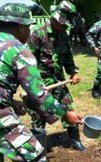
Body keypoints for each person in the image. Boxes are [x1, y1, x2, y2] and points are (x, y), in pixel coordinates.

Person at [0, 3, 82, 162]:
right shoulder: (19, 50)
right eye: (29, 26)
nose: (30, 31)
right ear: (21, 27)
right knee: (36, 155)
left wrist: (11, 102)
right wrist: (65, 114)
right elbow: (39, 95)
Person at [28, 0, 86, 151]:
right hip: (40, 83)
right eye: (61, 23)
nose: (63, 26)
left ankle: (75, 140)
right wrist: (33, 85)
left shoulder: (63, 35)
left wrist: (73, 72)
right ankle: (39, 147)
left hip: (58, 80)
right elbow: (27, 62)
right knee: (39, 115)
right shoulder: (37, 34)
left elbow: (67, 57)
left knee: (68, 108)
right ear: (54, 18)